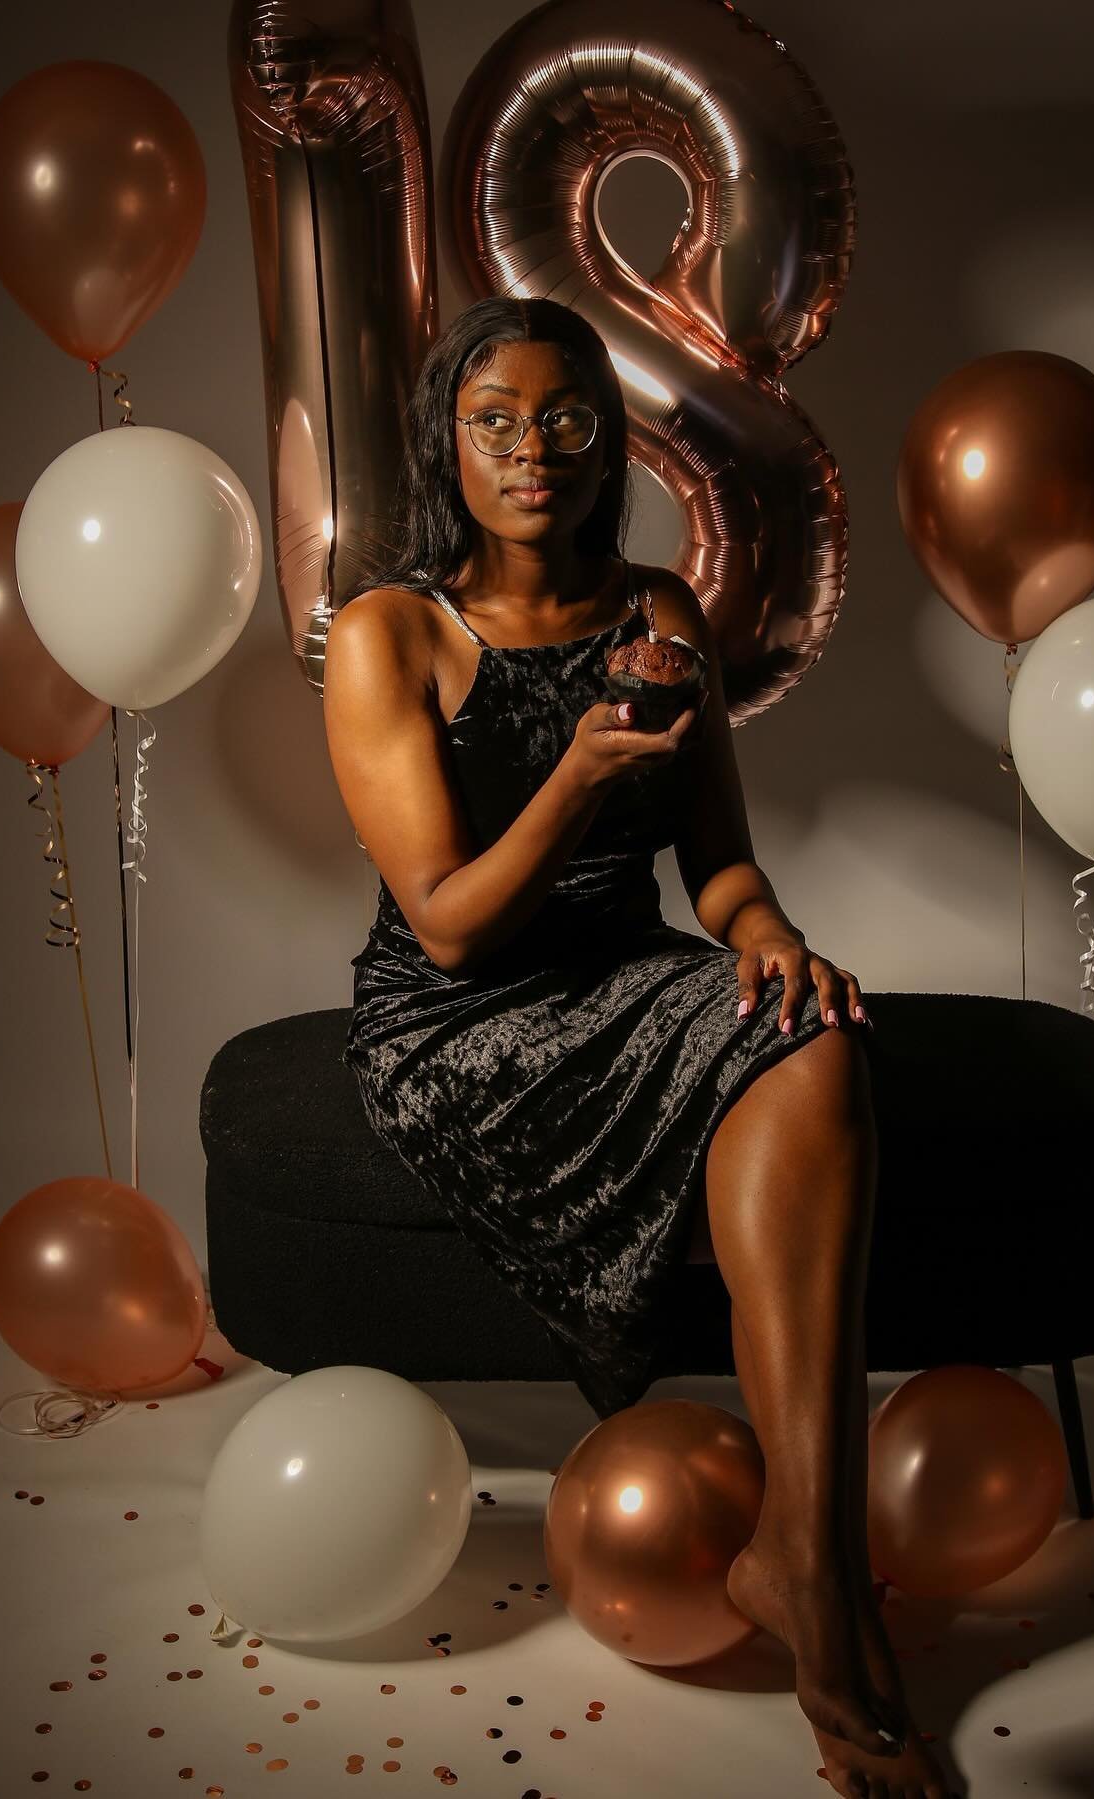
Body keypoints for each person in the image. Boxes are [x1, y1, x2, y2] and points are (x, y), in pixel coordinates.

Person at [323, 295, 957, 1799]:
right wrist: (580, 769)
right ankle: (827, 1617)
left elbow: (720, 870)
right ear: (450, 447)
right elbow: (453, 927)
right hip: (458, 1023)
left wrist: (771, 940)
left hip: (629, 973)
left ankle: (808, 1563)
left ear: (608, 441)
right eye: (494, 422)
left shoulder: (661, 614)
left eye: (563, 418)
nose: (531, 449)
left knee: (813, 1039)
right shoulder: (390, 630)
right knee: (767, 1045)